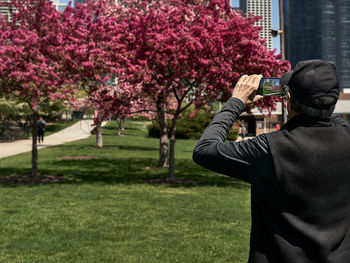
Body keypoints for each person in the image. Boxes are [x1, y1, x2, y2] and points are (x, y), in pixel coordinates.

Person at [193, 60, 350, 263]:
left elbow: (204, 150)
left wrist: (236, 102)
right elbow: (333, 120)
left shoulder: (270, 148)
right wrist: (322, 106)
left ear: (289, 99)